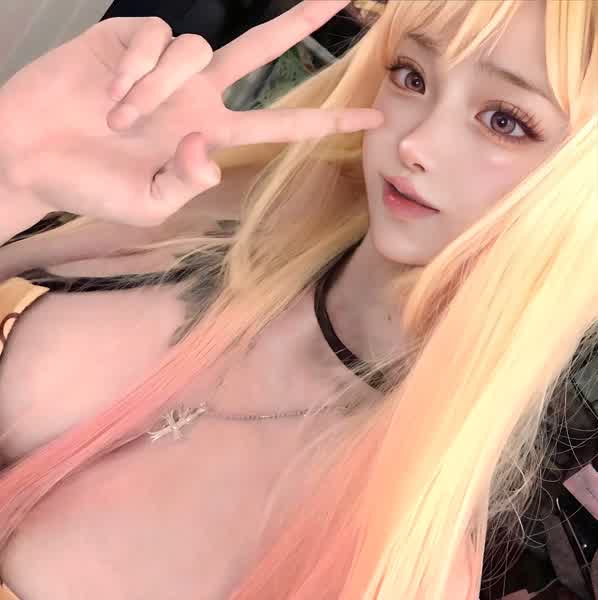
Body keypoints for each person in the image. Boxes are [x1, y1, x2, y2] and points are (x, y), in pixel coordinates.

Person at [0, 0, 595, 598]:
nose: (415, 142)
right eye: (412, 76)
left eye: (505, 121)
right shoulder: (169, 236)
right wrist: (12, 173)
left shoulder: (397, 570)